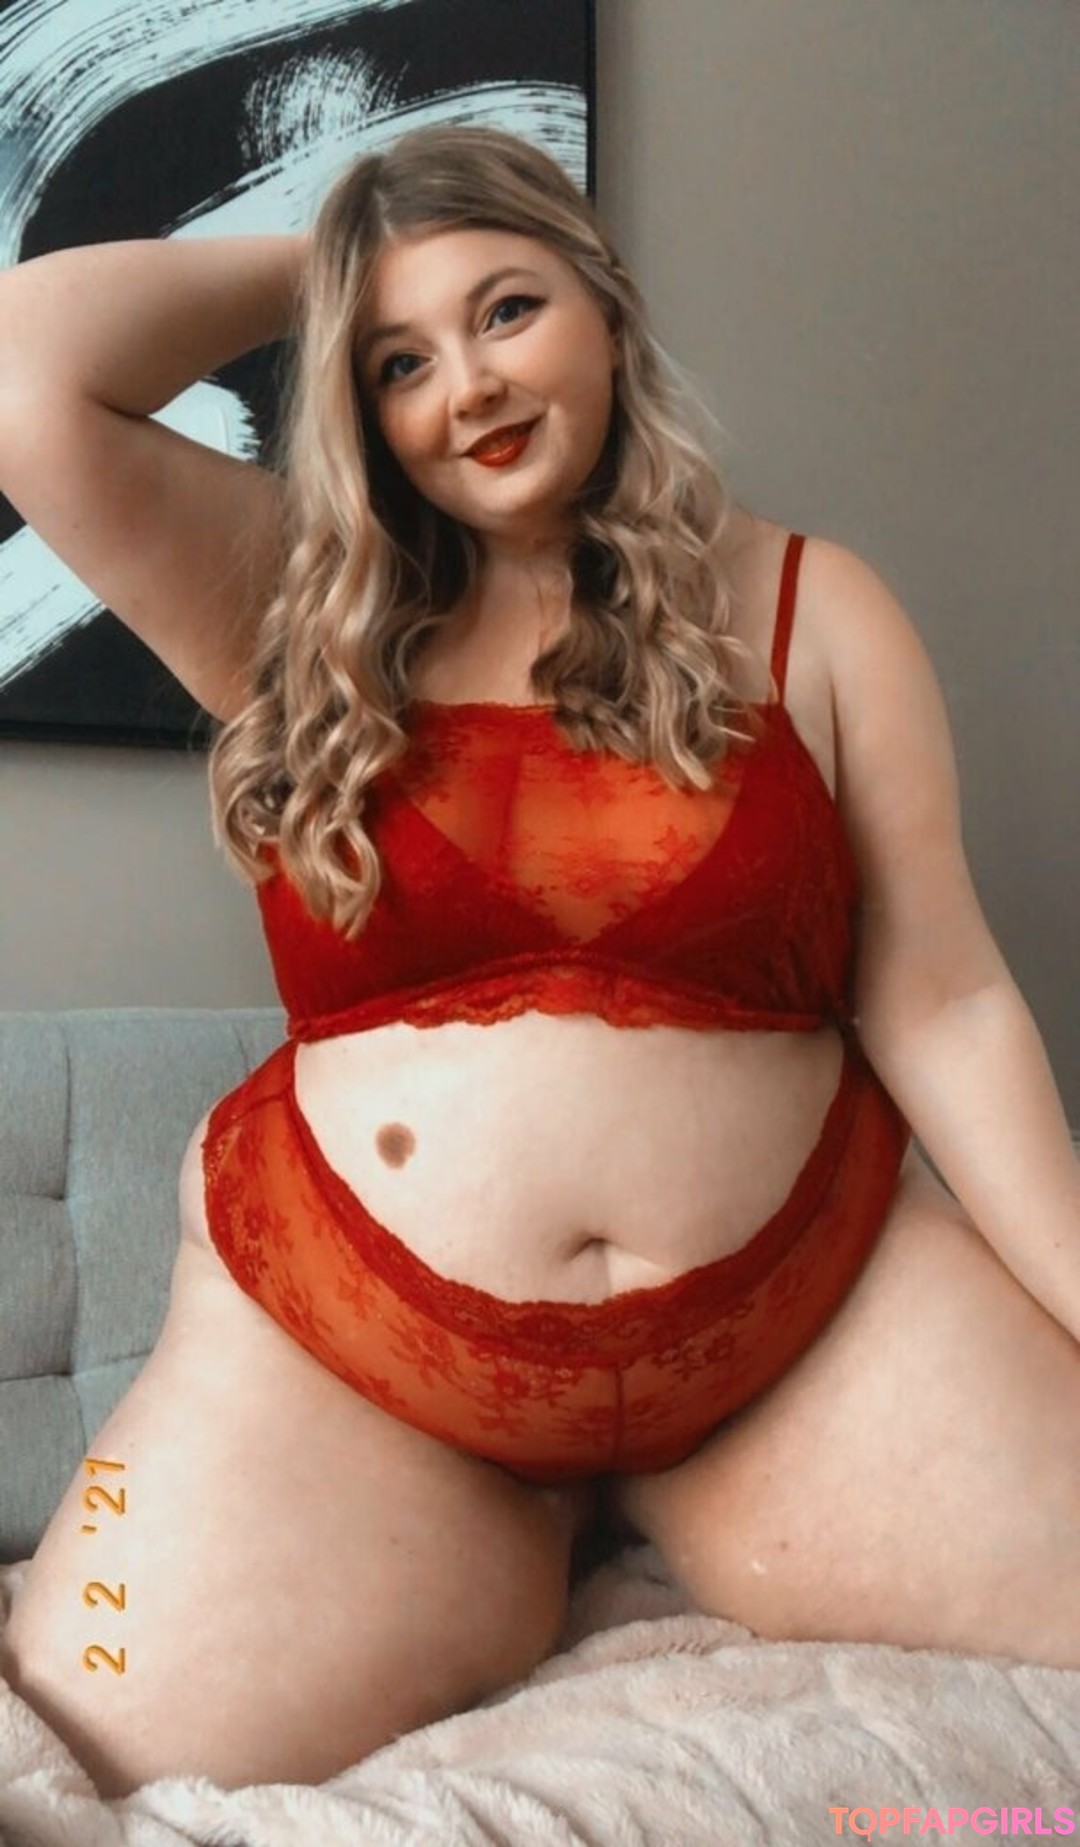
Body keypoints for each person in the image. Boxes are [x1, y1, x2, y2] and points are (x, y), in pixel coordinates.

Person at [0, 121, 1077, 1801]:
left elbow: (945, 998)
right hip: (365, 1362)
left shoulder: (816, 606)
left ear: (604, 299)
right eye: (400, 360)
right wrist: (339, 259)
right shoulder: (294, 610)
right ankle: (510, 1525)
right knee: (88, 1717)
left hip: (800, 1333)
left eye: (508, 308)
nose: (470, 388)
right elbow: (28, 378)